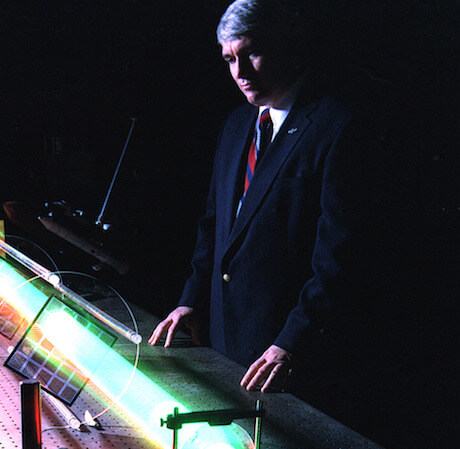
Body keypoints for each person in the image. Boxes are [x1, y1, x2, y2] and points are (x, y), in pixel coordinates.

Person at [149, 0, 383, 395]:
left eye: (251, 53)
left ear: (286, 46)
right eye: (229, 59)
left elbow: (340, 257)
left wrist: (292, 342)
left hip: (287, 358)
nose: (239, 73)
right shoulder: (238, 123)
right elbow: (214, 225)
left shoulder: (338, 125)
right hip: (226, 345)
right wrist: (191, 298)